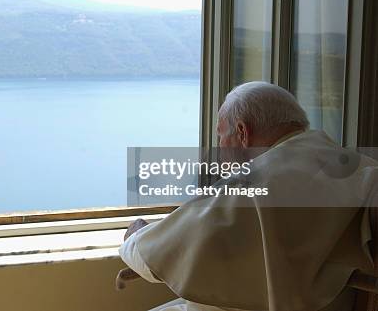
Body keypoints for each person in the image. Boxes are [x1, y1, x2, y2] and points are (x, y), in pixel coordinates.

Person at [119, 81, 378, 311]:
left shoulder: (248, 186)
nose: (219, 148)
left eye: (221, 134)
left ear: (242, 132)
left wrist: (136, 235)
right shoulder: (362, 169)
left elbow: (157, 256)